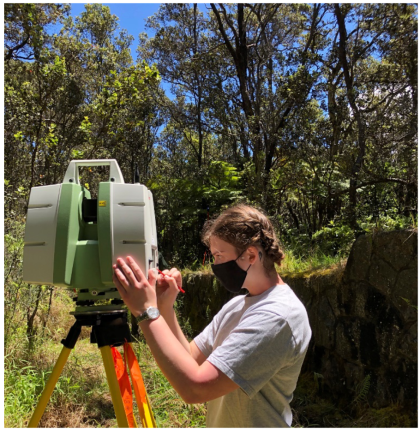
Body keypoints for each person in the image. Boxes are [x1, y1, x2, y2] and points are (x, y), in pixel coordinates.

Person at [113, 204, 312, 427]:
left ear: (251, 255)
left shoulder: (277, 316)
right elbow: (189, 357)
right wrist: (165, 307)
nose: (214, 265)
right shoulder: (238, 305)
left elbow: (196, 388)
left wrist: (146, 313)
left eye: (219, 256)